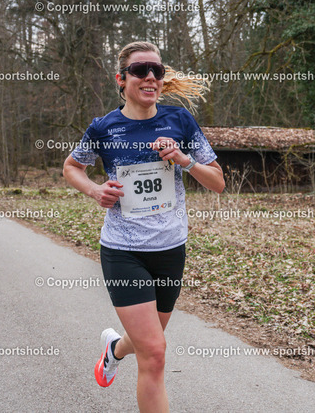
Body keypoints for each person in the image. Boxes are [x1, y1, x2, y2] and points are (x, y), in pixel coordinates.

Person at [63, 41, 224, 412]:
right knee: (154, 352)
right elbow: (72, 166)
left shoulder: (179, 121)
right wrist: (94, 189)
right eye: (140, 70)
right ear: (121, 79)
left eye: (157, 70)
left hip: (170, 251)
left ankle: (114, 349)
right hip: (123, 252)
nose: (150, 77)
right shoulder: (104, 128)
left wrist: (184, 160)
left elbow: (217, 182)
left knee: (144, 343)